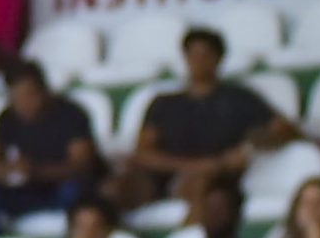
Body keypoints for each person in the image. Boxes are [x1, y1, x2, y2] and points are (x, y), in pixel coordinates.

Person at [122, 28, 299, 211]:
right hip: (168, 176)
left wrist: (248, 148)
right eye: (193, 54)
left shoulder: (239, 99)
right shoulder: (163, 104)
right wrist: (193, 166)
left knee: (203, 183)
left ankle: (192, 229)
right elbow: (143, 153)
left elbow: (284, 128)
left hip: (219, 178)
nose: (199, 61)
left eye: (205, 55)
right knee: (122, 184)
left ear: (219, 59)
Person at [0, 62, 100, 238]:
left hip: (60, 189)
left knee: (74, 190)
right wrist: (8, 171)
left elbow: (82, 165)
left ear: (44, 91)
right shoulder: (6, 119)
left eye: (29, 95)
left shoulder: (71, 114)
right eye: (16, 98)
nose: (23, 104)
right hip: (26, 191)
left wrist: (36, 171)